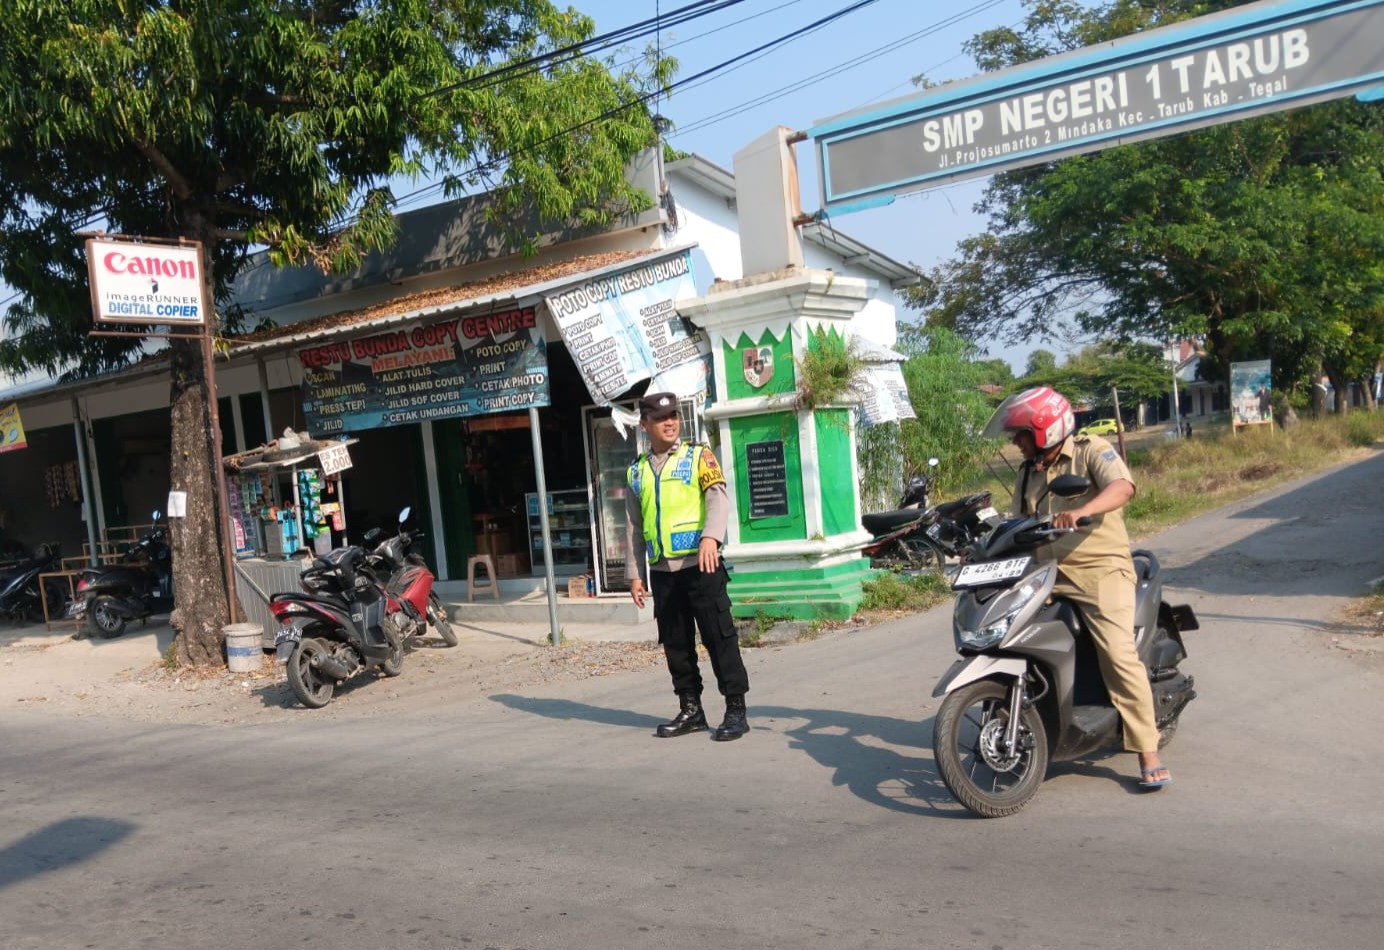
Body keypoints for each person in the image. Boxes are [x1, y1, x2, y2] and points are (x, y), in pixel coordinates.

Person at [985, 386, 1171, 789]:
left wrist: (1083, 510)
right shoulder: (1028, 472)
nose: (1015, 442)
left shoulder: (1090, 450)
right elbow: (1018, 523)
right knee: (1004, 636)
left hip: (1100, 570)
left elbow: (1123, 488)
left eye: (1020, 434)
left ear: (1046, 431)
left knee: (1119, 656)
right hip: (1047, 574)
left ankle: (1147, 749)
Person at [625, 392, 750, 741]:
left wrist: (712, 537)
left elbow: (717, 498)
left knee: (719, 637)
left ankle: (736, 710)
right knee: (676, 644)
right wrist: (635, 575)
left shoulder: (698, 457)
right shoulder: (637, 472)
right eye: (661, 418)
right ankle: (691, 709)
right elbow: (633, 527)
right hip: (664, 572)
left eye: (674, 416)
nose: (670, 422)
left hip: (701, 566)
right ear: (644, 425)